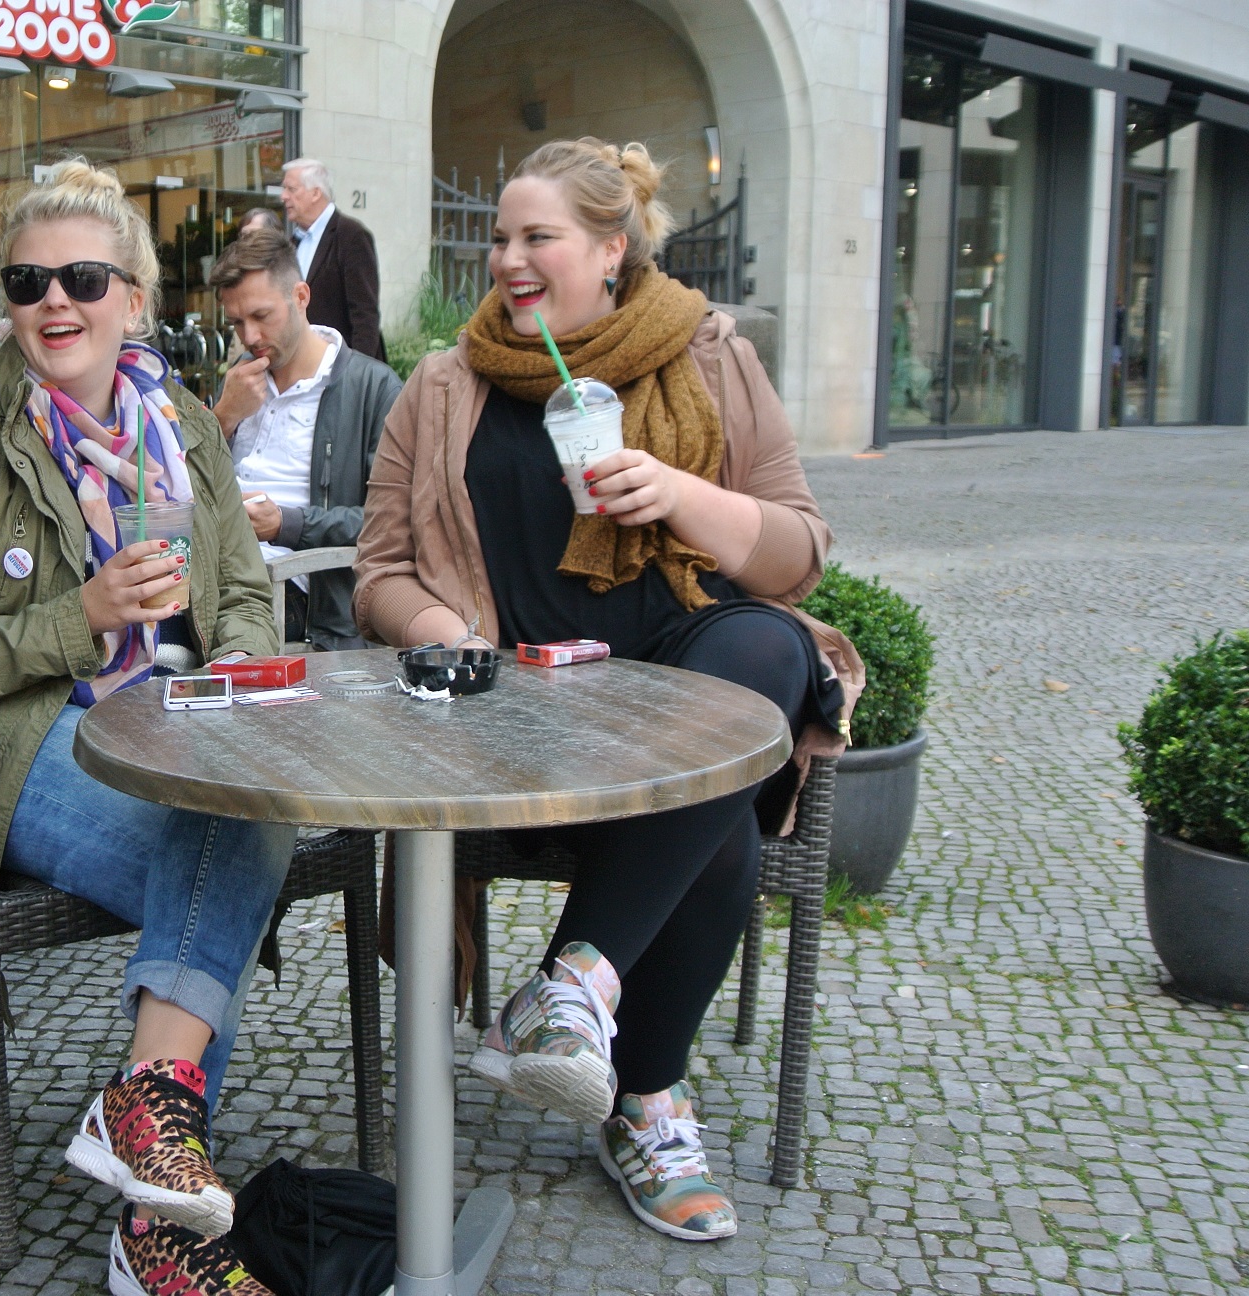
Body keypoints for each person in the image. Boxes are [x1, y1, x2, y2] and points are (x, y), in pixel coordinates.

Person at [353, 138, 862, 1243]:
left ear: (611, 249)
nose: (507, 260)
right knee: (717, 812)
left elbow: (795, 553)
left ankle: (573, 996)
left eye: (537, 237)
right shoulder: (445, 385)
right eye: (497, 238)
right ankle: (645, 1099)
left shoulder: (709, 354)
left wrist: (675, 488)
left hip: (682, 676)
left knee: (768, 664)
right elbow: (378, 573)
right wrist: (448, 635)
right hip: (520, 711)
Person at [0, 159, 287, 1295]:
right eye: (27, 279)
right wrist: (83, 616)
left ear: (134, 299)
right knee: (227, 833)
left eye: (82, 277)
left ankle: (146, 1173)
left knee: (232, 812)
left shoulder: (184, 427)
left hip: (175, 725)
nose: (54, 301)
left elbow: (244, 583)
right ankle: (158, 1221)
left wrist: (246, 649)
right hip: (20, 752)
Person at [207, 226, 402, 649]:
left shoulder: (371, 388)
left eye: (261, 316)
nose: (251, 337)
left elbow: (389, 524)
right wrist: (223, 417)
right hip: (215, 571)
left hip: (294, 592)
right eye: (237, 323)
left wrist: (286, 525)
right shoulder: (240, 382)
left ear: (301, 297)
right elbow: (179, 486)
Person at [279, 159, 386, 362]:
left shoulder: (351, 236)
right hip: (301, 369)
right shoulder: (291, 243)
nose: (283, 196)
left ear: (315, 193)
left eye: (291, 189)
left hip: (339, 368)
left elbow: (365, 315)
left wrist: (358, 373)